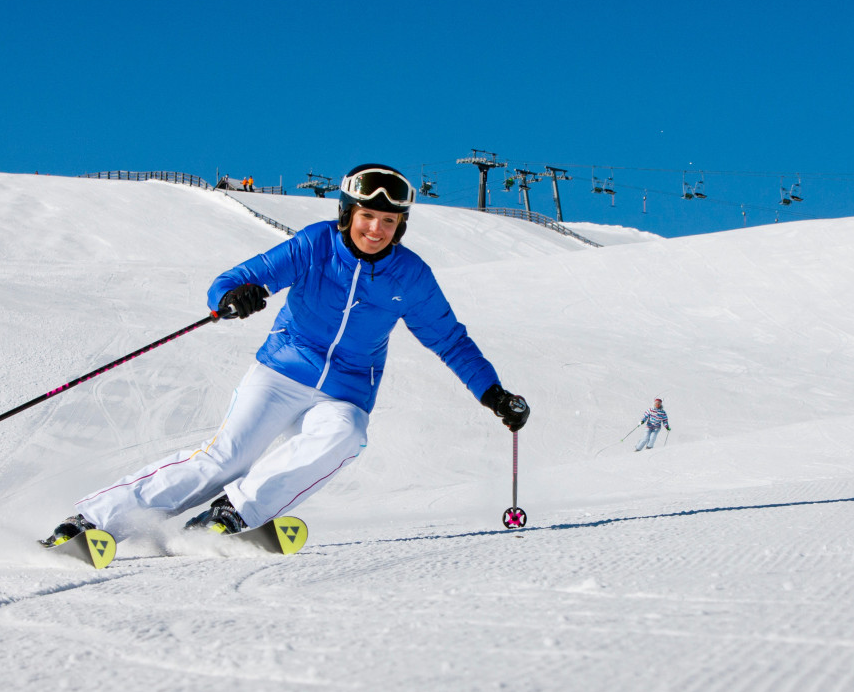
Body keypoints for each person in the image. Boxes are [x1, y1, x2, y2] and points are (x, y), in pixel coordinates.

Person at [47, 164, 530, 544]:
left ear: (400, 226)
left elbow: (449, 339)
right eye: (367, 217)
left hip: (345, 390)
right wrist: (237, 296)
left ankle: (234, 512)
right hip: (281, 371)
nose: (376, 229)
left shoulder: (412, 276)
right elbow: (229, 282)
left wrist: (492, 393)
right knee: (224, 459)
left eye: (389, 221)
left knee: (346, 435)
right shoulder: (315, 244)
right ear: (347, 215)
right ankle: (92, 520)